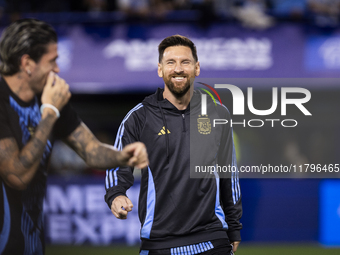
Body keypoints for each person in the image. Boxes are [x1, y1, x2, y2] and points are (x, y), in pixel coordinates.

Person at [0, 18, 148, 255]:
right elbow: (16, 175)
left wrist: (123, 156)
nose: (57, 69)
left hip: (32, 246)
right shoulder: (15, 102)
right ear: (27, 63)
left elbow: (91, 150)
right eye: (52, 61)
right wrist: (50, 113)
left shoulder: (48, 99)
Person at [105, 35, 242, 255]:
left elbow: (229, 175)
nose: (178, 69)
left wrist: (234, 226)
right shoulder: (139, 117)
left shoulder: (218, 113)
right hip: (159, 242)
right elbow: (116, 162)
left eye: (185, 62)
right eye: (171, 63)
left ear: (197, 68)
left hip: (212, 239)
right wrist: (116, 194)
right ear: (160, 69)